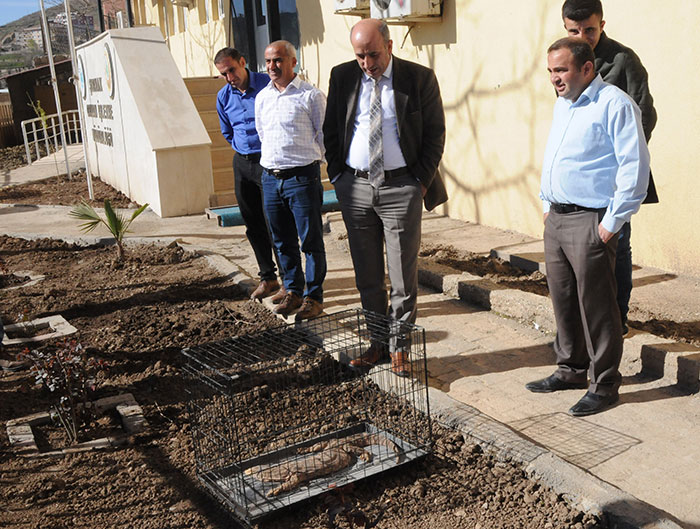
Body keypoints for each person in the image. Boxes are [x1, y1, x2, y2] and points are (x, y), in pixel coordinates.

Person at [526, 37, 649, 416]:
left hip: (591, 221)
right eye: (550, 71)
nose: (554, 79)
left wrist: (611, 223)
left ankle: (605, 383)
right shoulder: (563, 105)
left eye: (561, 70)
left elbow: (634, 167)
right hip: (557, 220)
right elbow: (557, 158)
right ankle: (571, 369)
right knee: (563, 300)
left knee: (597, 307)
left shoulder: (614, 104)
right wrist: (547, 205)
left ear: (586, 69)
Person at [323, 19, 446, 376]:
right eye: (360, 56)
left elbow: (435, 134)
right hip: (356, 188)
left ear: (389, 46)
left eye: (373, 54)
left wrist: (418, 183)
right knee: (367, 275)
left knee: (403, 276)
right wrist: (338, 176)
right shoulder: (343, 76)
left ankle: (400, 348)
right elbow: (331, 129)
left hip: (401, 188)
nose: (367, 63)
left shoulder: (418, 78)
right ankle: (377, 343)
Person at [561, 0, 658, 334]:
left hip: (614, 177)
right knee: (579, 252)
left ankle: (618, 318)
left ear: (602, 24)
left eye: (589, 29)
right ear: (565, 28)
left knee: (618, 245)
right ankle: (585, 322)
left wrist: (620, 159)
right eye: (574, 30)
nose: (583, 36)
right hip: (578, 180)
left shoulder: (623, 60)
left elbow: (645, 114)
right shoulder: (564, 60)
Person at [255, 40, 327, 321]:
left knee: (311, 241)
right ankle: (293, 290)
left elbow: (323, 136)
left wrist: (309, 164)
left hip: (302, 178)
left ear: (293, 62)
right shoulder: (263, 98)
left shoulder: (311, 96)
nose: (272, 66)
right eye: (268, 61)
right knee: (282, 240)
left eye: (278, 60)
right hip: (271, 179)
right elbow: (263, 134)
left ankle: (314, 297)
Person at [214, 47, 285, 303]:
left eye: (232, 69)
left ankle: (289, 281)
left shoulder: (268, 85)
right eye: (224, 74)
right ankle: (268, 278)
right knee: (253, 223)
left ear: (243, 62)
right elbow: (227, 131)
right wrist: (242, 149)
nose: (229, 77)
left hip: (269, 162)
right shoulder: (223, 97)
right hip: (243, 164)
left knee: (275, 222)